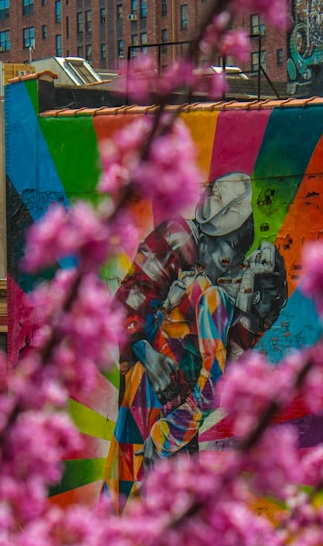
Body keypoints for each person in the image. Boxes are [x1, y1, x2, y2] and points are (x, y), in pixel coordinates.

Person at [103, 173, 287, 512]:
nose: (225, 265)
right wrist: (147, 355)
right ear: (218, 240)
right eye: (225, 254)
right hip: (148, 386)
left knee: (172, 509)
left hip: (181, 404)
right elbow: (124, 304)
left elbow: (228, 359)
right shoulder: (176, 241)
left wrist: (261, 294)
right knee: (123, 484)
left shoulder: (220, 291)